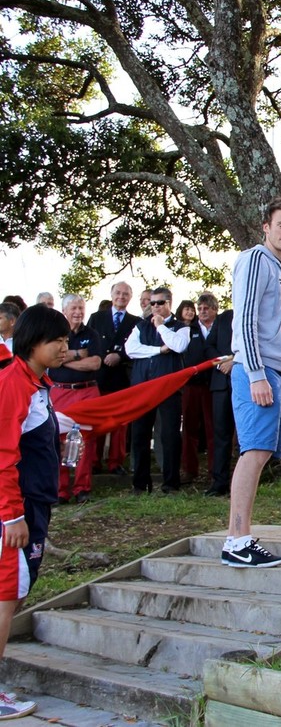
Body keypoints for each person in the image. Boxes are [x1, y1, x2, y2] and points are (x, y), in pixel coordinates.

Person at [220, 197, 281, 568]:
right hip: (258, 371)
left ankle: (241, 536)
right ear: (266, 227)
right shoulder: (255, 259)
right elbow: (246, 321)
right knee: (253, 451)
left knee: (263, 451)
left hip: (278, 372)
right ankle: (237, 540)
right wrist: (256, 374)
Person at [0, 305, 71, 719]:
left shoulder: (38, 383)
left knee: (14, 593)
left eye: (66, 340)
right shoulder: (14, 383)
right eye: (55, 342)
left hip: (35, 502)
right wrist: (12, 515)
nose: (64, 348)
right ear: (31, 343)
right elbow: (3, 453)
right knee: (6, 596)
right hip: (17, 508)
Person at [125, 286, 190, 495]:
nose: (155, 307)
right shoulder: (141, 326)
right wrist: (159, 350)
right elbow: (131, 350)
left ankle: (171, 484)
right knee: (139, 435)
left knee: (170, 435)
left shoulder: (180, 327)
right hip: (143, 388)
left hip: (169, 389)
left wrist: (162, 327)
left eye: (159, 303)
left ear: (169, 303)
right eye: (152, 303)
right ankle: (140, 484)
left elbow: (179, 345)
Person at [49, 294, 102, 504]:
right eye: (74, 308)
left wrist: (65, 360)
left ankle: (82, 488)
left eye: (81, 307)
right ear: (64, 311)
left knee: (85, 441)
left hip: (87, 392)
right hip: (60, 392)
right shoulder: (54, 334)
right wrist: (80, 354)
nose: (78, 312)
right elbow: (51, 361)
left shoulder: (92, 334)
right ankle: (61, 491)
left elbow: (96, 363)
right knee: (57, 439)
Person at [87, 281, 139, 475]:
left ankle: (115, 462)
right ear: (111, 294)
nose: (121, 297)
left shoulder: (135, 322)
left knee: (119, 424)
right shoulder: (96, 318)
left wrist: (120, 356)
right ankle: (94, 461)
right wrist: (101, 358)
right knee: (97, 422)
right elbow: (89, 344)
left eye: (125, 294)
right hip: (98, 378)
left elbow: (136, 349)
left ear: (130, 298)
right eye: (118, 293)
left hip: (121, 379)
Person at [181, 296, 215, 484]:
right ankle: (189, 470)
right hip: (191, 385)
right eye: (200, 308)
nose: (202, 311)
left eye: (207, 308)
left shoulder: (221, 329)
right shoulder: (188, 329)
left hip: (213, 386)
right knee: (189, 429)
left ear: (215, 310)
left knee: (213, 429)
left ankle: (213, 470)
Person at [204, 307, 235, 497]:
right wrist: (223, 362)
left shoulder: (256, 311)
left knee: (247, 436)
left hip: (247, 382)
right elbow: (209, 346)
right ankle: (220, 483)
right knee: (221, 434)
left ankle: (246, 481)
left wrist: (236, 361)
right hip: (221, 383)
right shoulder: (223, 318)